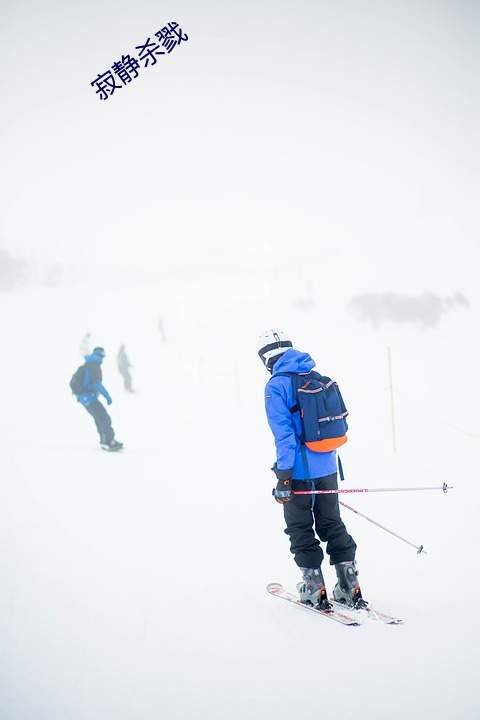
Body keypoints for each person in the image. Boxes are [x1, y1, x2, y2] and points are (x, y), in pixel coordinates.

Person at [257, 328, 366, 610]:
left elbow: (284, 436)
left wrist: (284, 477)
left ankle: (313, 587)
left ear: (266, 358)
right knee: (332, 523)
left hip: (298, 472)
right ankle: (348, 585)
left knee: (300, 527)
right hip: (328, 465)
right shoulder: (315, 377)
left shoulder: (276, 386)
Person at [76, 346, 123, 451]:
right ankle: (108, 441)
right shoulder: (94, 365)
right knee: (104, 418)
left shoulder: (89, 363)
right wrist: (107, 396)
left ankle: (104, 440)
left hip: (85, 398)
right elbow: (96, 383)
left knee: (100, 418)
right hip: (89, 398)